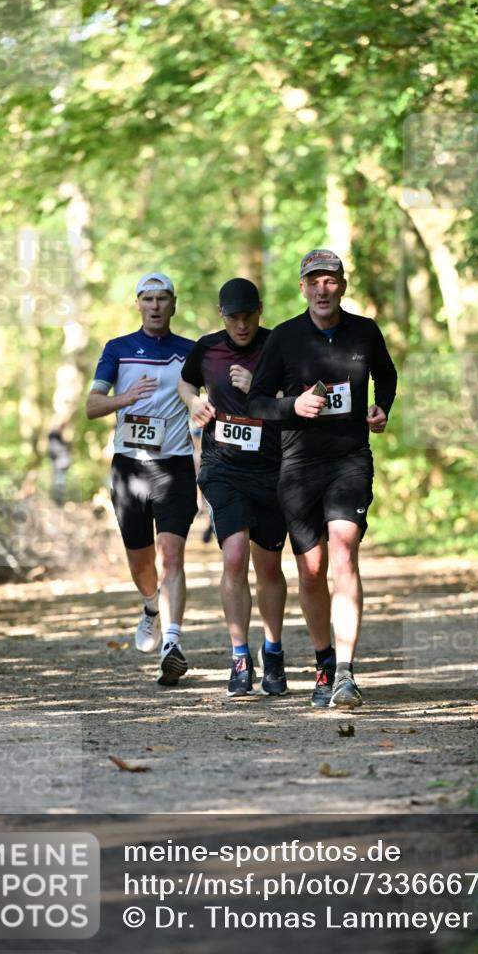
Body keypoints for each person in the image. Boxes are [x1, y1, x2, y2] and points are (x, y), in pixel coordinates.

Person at [247, 249, 397, 710]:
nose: (322, 289)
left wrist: (381, 407)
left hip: (350, 459)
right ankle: (324, 661)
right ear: (303, 288)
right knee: (312, 571)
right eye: (313, 282)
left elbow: (387, 375)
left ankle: (347, 672)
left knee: (344, 551)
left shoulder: (365, 332)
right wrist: (292, 406)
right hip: (298, 467)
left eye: (330, 280)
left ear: (343, 285)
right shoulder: (285, 337)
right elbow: (256, 402)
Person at [178, 278, 288, 698]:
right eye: (233, 317)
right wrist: (194, 402)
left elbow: (299, 396)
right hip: (223, 468)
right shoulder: (206, 349)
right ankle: (240, 657)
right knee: (235, 557)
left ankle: (273, 651)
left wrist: (258, 385)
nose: (241, 325)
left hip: (271, 468)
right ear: (221, 315)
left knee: (269, 567)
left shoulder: (279, 344)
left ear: (260, 310)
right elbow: (186, 382)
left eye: (248, 316)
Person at [86, 272, 197, 686]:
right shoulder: (117, 349)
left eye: (162, 299)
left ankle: (172, 643)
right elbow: (92, 406)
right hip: (129, 468)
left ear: (174, 304)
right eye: (148, 299)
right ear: (138, 305)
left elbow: (215, 393)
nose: (155, 306)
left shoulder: (191, 351)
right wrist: (126, 398)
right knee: (141, 561)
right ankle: (151, 606)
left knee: (171, 556)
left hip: (175, 465)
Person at [47, 427, 71, 507]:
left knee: (59, 483)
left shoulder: (54, 443)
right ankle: (58, 501)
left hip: (59, 465)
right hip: (61, 465)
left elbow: (53, 454)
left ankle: (59, 501)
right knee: (59, 483)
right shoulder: (59, 443)